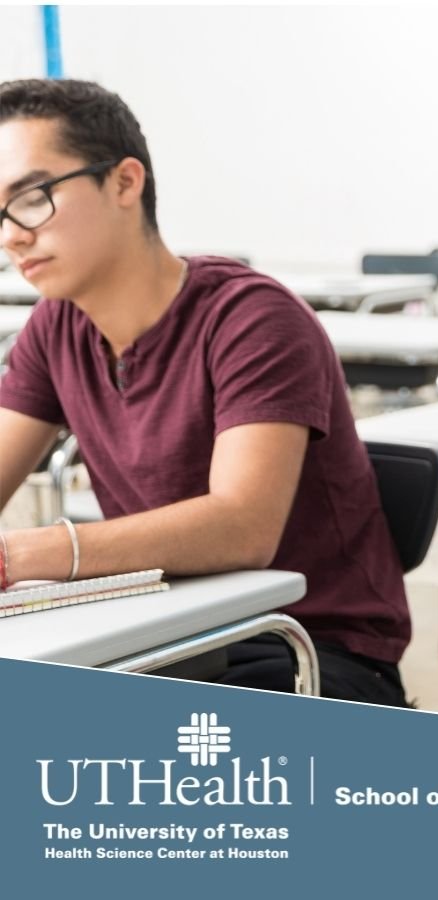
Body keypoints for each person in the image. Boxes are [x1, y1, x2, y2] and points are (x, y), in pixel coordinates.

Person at [0, 78, 410, 706]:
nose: (13, 234)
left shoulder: (253, 319)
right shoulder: (59, 327)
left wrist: (24, 556)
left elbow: (242, 527)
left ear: (124, 182)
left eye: (32, 196)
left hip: (303, 652)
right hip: (167, 635)